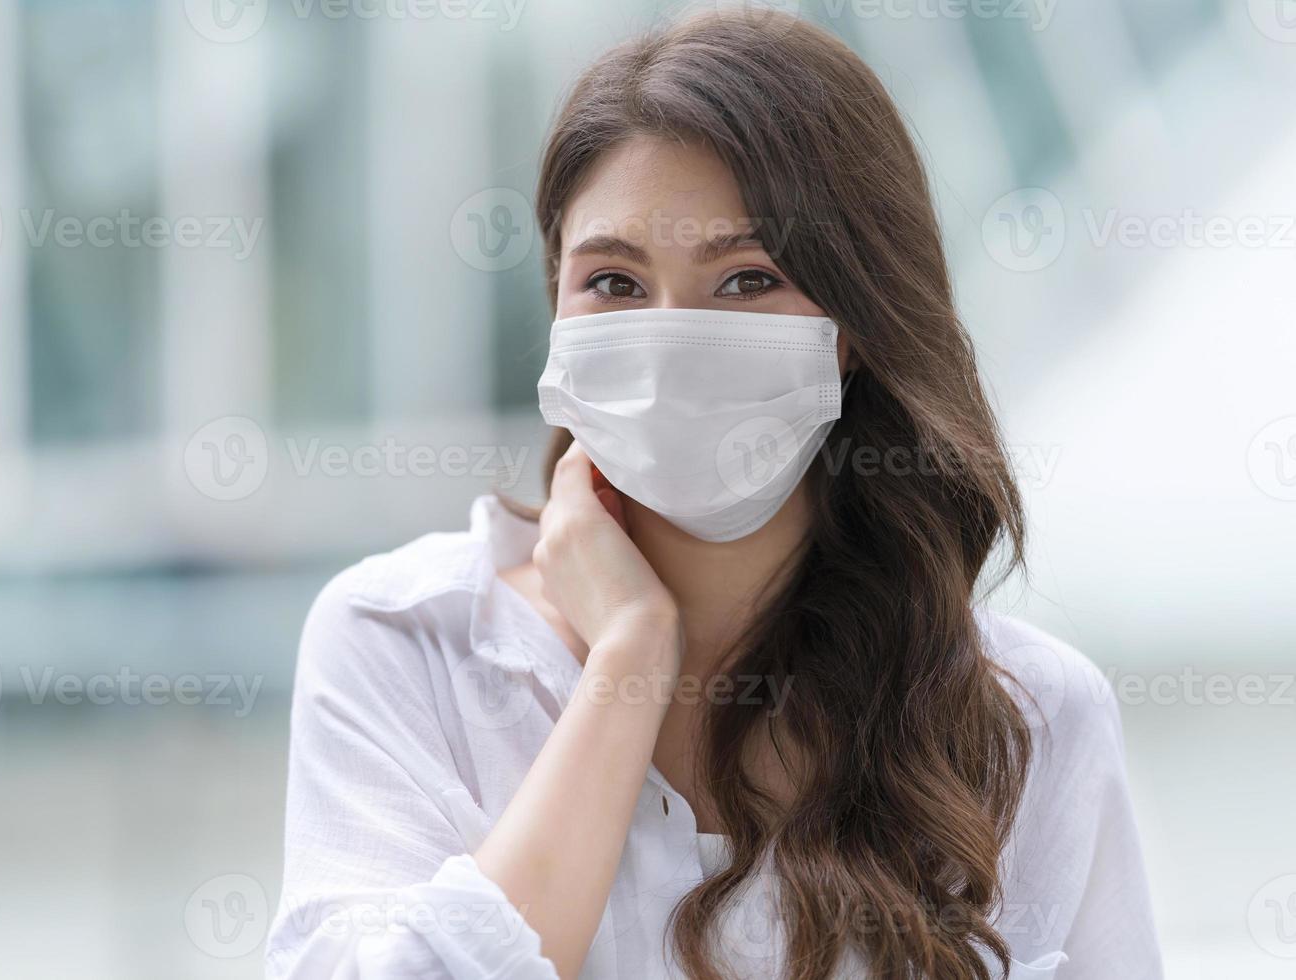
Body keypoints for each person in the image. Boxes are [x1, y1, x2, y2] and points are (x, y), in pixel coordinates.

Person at [267, 9, 1161, 979]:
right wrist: (630, 661)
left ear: (856, 323)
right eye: (613, 281)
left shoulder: (1028, 721)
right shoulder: (404, 643)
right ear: (557, 313)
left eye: (746, 278)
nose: (671, 338)